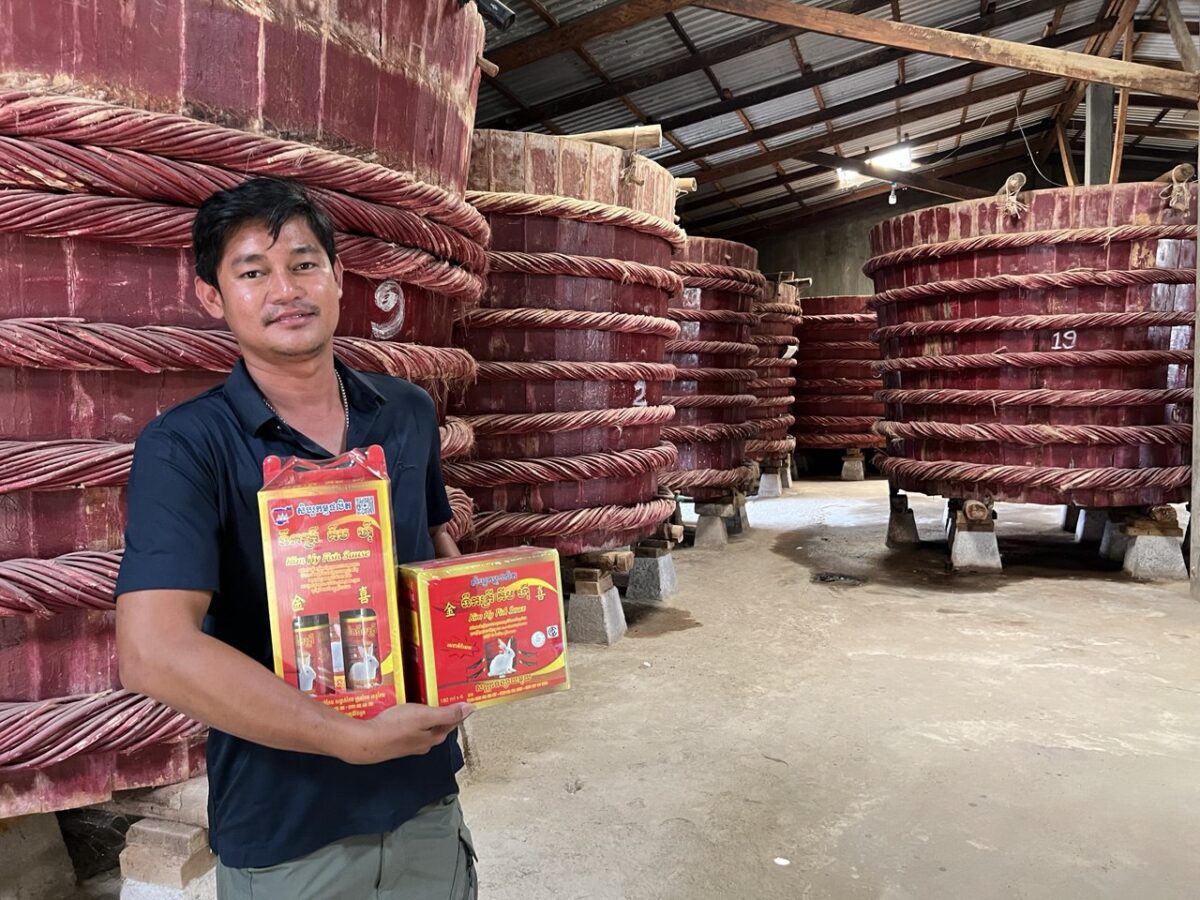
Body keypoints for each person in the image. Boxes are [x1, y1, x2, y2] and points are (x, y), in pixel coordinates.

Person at [115, 178, 476, 899]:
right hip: (288, 832)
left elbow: (436, 553)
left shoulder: (404, 412)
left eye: (305, 263)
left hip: (425, 804)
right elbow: (153, 652)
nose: (286, 289)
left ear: (340, 280)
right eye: (253, 271)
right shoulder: (186, 446)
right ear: (213, 298)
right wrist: (348, 737)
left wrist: (476, 658)